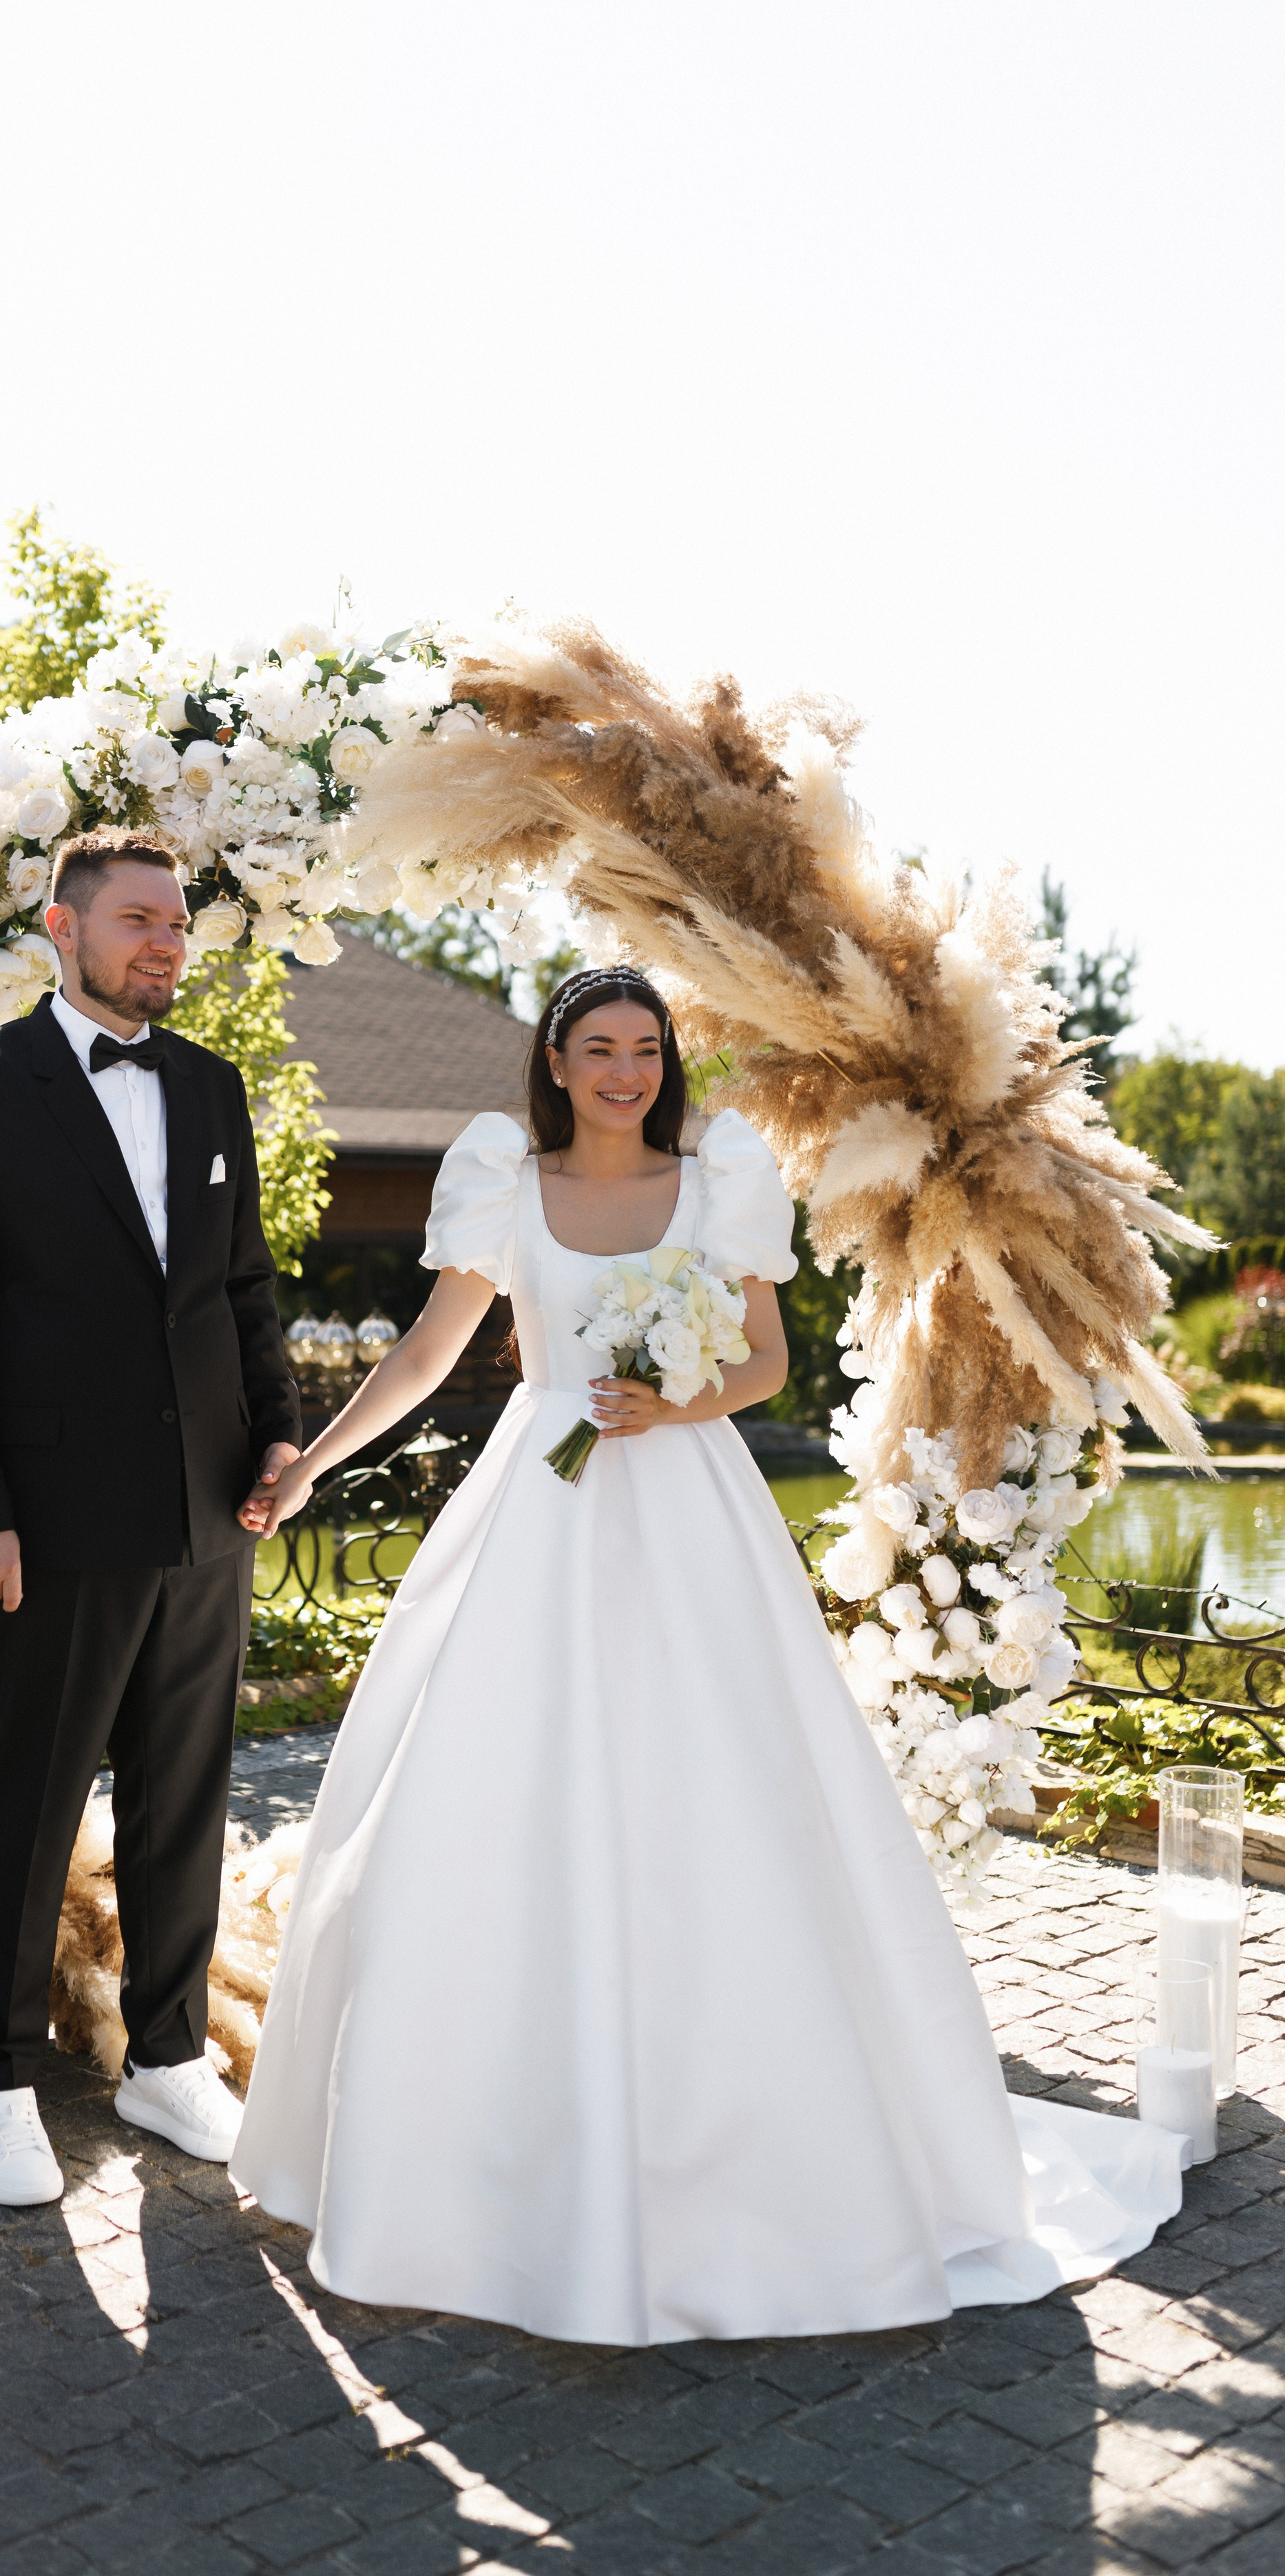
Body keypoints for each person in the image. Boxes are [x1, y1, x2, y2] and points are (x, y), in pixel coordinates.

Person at [230, 966, 1187, 2344]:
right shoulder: (501, 1177)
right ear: (554, 1062)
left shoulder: (714, 1176)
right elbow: (432, 1352)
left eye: (645, 1049)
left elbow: (758, 1366)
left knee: (719, 1785)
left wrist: (673, 1404)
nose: (625, 1071)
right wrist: (313, 1460)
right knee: (497, 1790)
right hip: (537, 1511)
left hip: (682, 1503)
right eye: (598, 1049)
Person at [0, 834, 300, 2206]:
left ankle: (167, 2059)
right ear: (61, 931)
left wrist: (279, 1438)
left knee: (185, 1803)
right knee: (26, 1807)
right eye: (138, 921)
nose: (166, 945)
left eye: (176, 924)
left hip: (208, 1508)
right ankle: (1, 2085)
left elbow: (241, 1288)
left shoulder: (207, 1086)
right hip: (50, 1520)